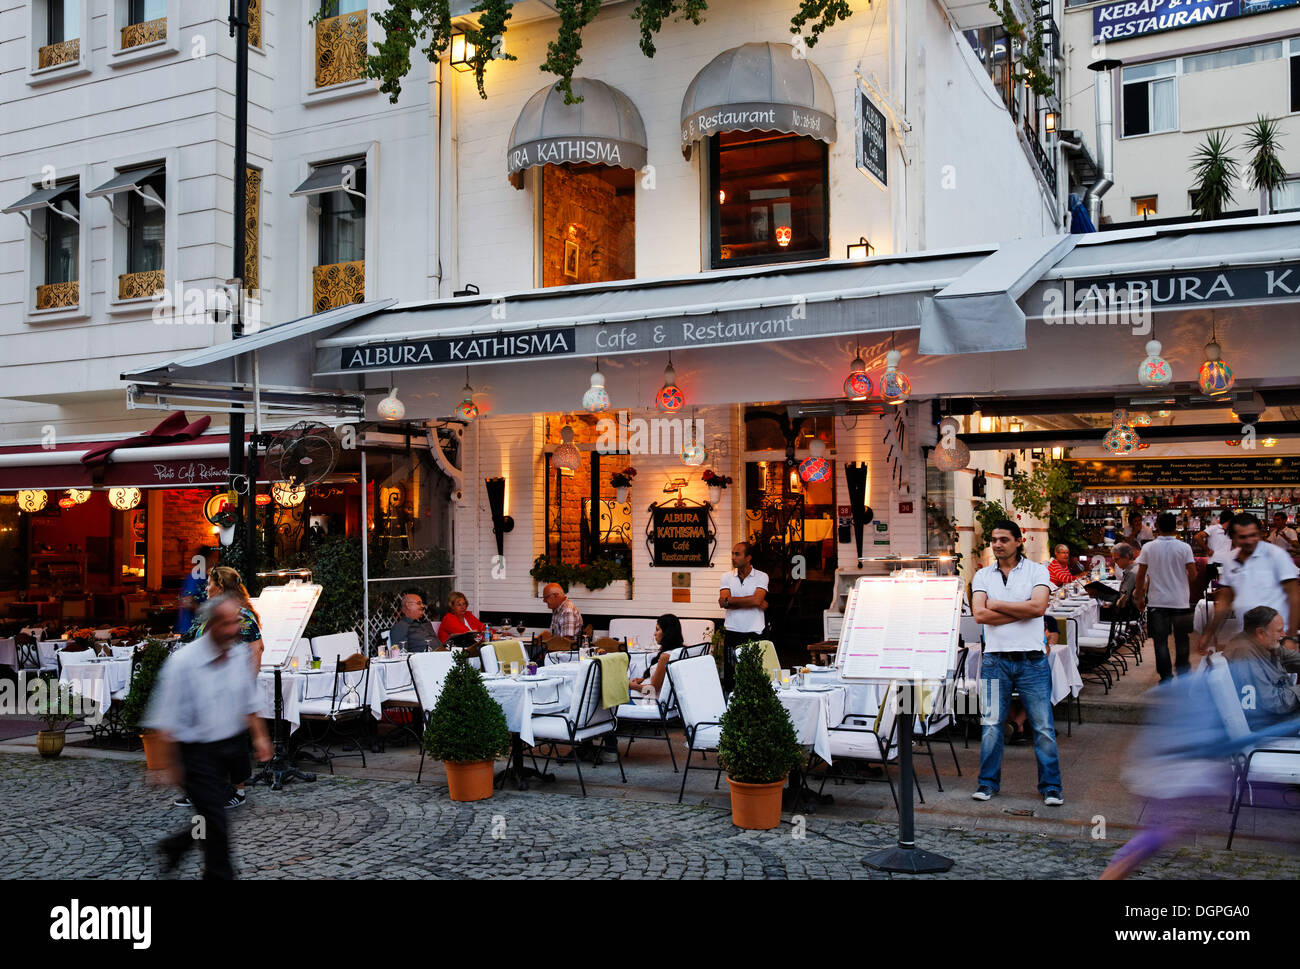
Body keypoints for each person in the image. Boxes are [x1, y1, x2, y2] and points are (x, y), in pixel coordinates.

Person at [147, 595, 273, 880]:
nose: (234, 629)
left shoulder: (238, 656)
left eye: (236, 623)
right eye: (227, 624)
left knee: (210, 814)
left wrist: (261, 739)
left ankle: (176, 845)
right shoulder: (183, 663)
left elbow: (249, 702)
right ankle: (219, 874)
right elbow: (165, 719)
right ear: (213, 625)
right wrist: (167, 766)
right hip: (195, 752)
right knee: (216, 819)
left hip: (229, 748)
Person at [970, 520, 1063, 806]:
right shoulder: (983, 575)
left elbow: (1038, 607)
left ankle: (1051, 787)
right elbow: (979, 616)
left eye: (1004, 539)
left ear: (1018, 541)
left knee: (1043, 726)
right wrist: (1024, 611)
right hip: (995, 660)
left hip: (1032, 661)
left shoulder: (1037, 571)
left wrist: (996, 604)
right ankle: (987, 784)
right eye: (994, 539)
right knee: (990, 725)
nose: (997, 544)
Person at [176, 566, 265, 809]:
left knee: (232, 740)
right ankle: (201, 789)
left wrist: (247, 684)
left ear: (221, 587)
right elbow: (192, 639)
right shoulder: (210, 614)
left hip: (230, 687)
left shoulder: (241, 616)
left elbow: (256, 648)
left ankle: (238, 790)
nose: (205, 588)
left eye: (209, 584)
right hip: (206, 686)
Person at [1205, 512, 1300, 654]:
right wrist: (1209, 632)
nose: (1249, 540)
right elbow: (1224, 600)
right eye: (1243, 537)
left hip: (1277, 638)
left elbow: (1294, 596)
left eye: (1253, 535)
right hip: (1246, 639)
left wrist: (1292, 637)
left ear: (1260, 533)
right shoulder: (1230, 559)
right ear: (1233, 538)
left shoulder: (1276, 555)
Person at [1134, 512, 1196, 682]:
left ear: (1157, 527)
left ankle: (1166, 676)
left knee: (1160, 641)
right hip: (1180, 601)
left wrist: (1139, 597)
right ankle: (1183, 673)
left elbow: (1140, 575)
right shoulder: (1184, 548)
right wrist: (1182, 580)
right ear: (1175, 527)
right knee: (1182, 640)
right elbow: (1193, 574)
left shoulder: (1148, 548)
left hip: (1157, 601)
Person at [1224, 606, 1300, 728]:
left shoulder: (1266, 643)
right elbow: (1272, 702)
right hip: (1271, 724)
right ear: (1260, 632)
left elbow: (1292, 657)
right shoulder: (1245, 654)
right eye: (1279, 630)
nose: (1284, 634)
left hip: (1280, 716)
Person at [719, 542, 768, 692]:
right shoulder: (726, 577)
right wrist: (752, 601)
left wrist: (732, 601)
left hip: (754, 631)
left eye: (737, 554)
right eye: (732, 554)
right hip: (733, 630)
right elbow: (723, 602)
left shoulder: (761, 576)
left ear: (748, 558)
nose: (733, 557)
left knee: (754, 673)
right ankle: (730, 709)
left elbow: (757, 600)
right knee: (730, 675)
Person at [1005, 615, 1058, 745]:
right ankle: (1018, 726)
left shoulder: (1047, 620)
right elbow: (1046, 649)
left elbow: (1053, 641)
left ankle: (1015, 726)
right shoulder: (1009, 622)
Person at [628, 614, 685, 699]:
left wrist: (631, 686)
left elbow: (652, 690)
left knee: (615, 693)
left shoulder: (665, 657)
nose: (654, 634)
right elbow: (660, 679)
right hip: (649, 693)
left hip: (648, 699)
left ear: (667, 633)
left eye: (657, 630)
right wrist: (642, 680)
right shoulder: (680, 650)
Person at [176, 546, 213, 635]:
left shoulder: (203, 576)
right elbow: (187, 602)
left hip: (197, 629)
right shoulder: (197, 576)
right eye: (214, 557)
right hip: (191, 629)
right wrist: (209, 614)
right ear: (207, 559)